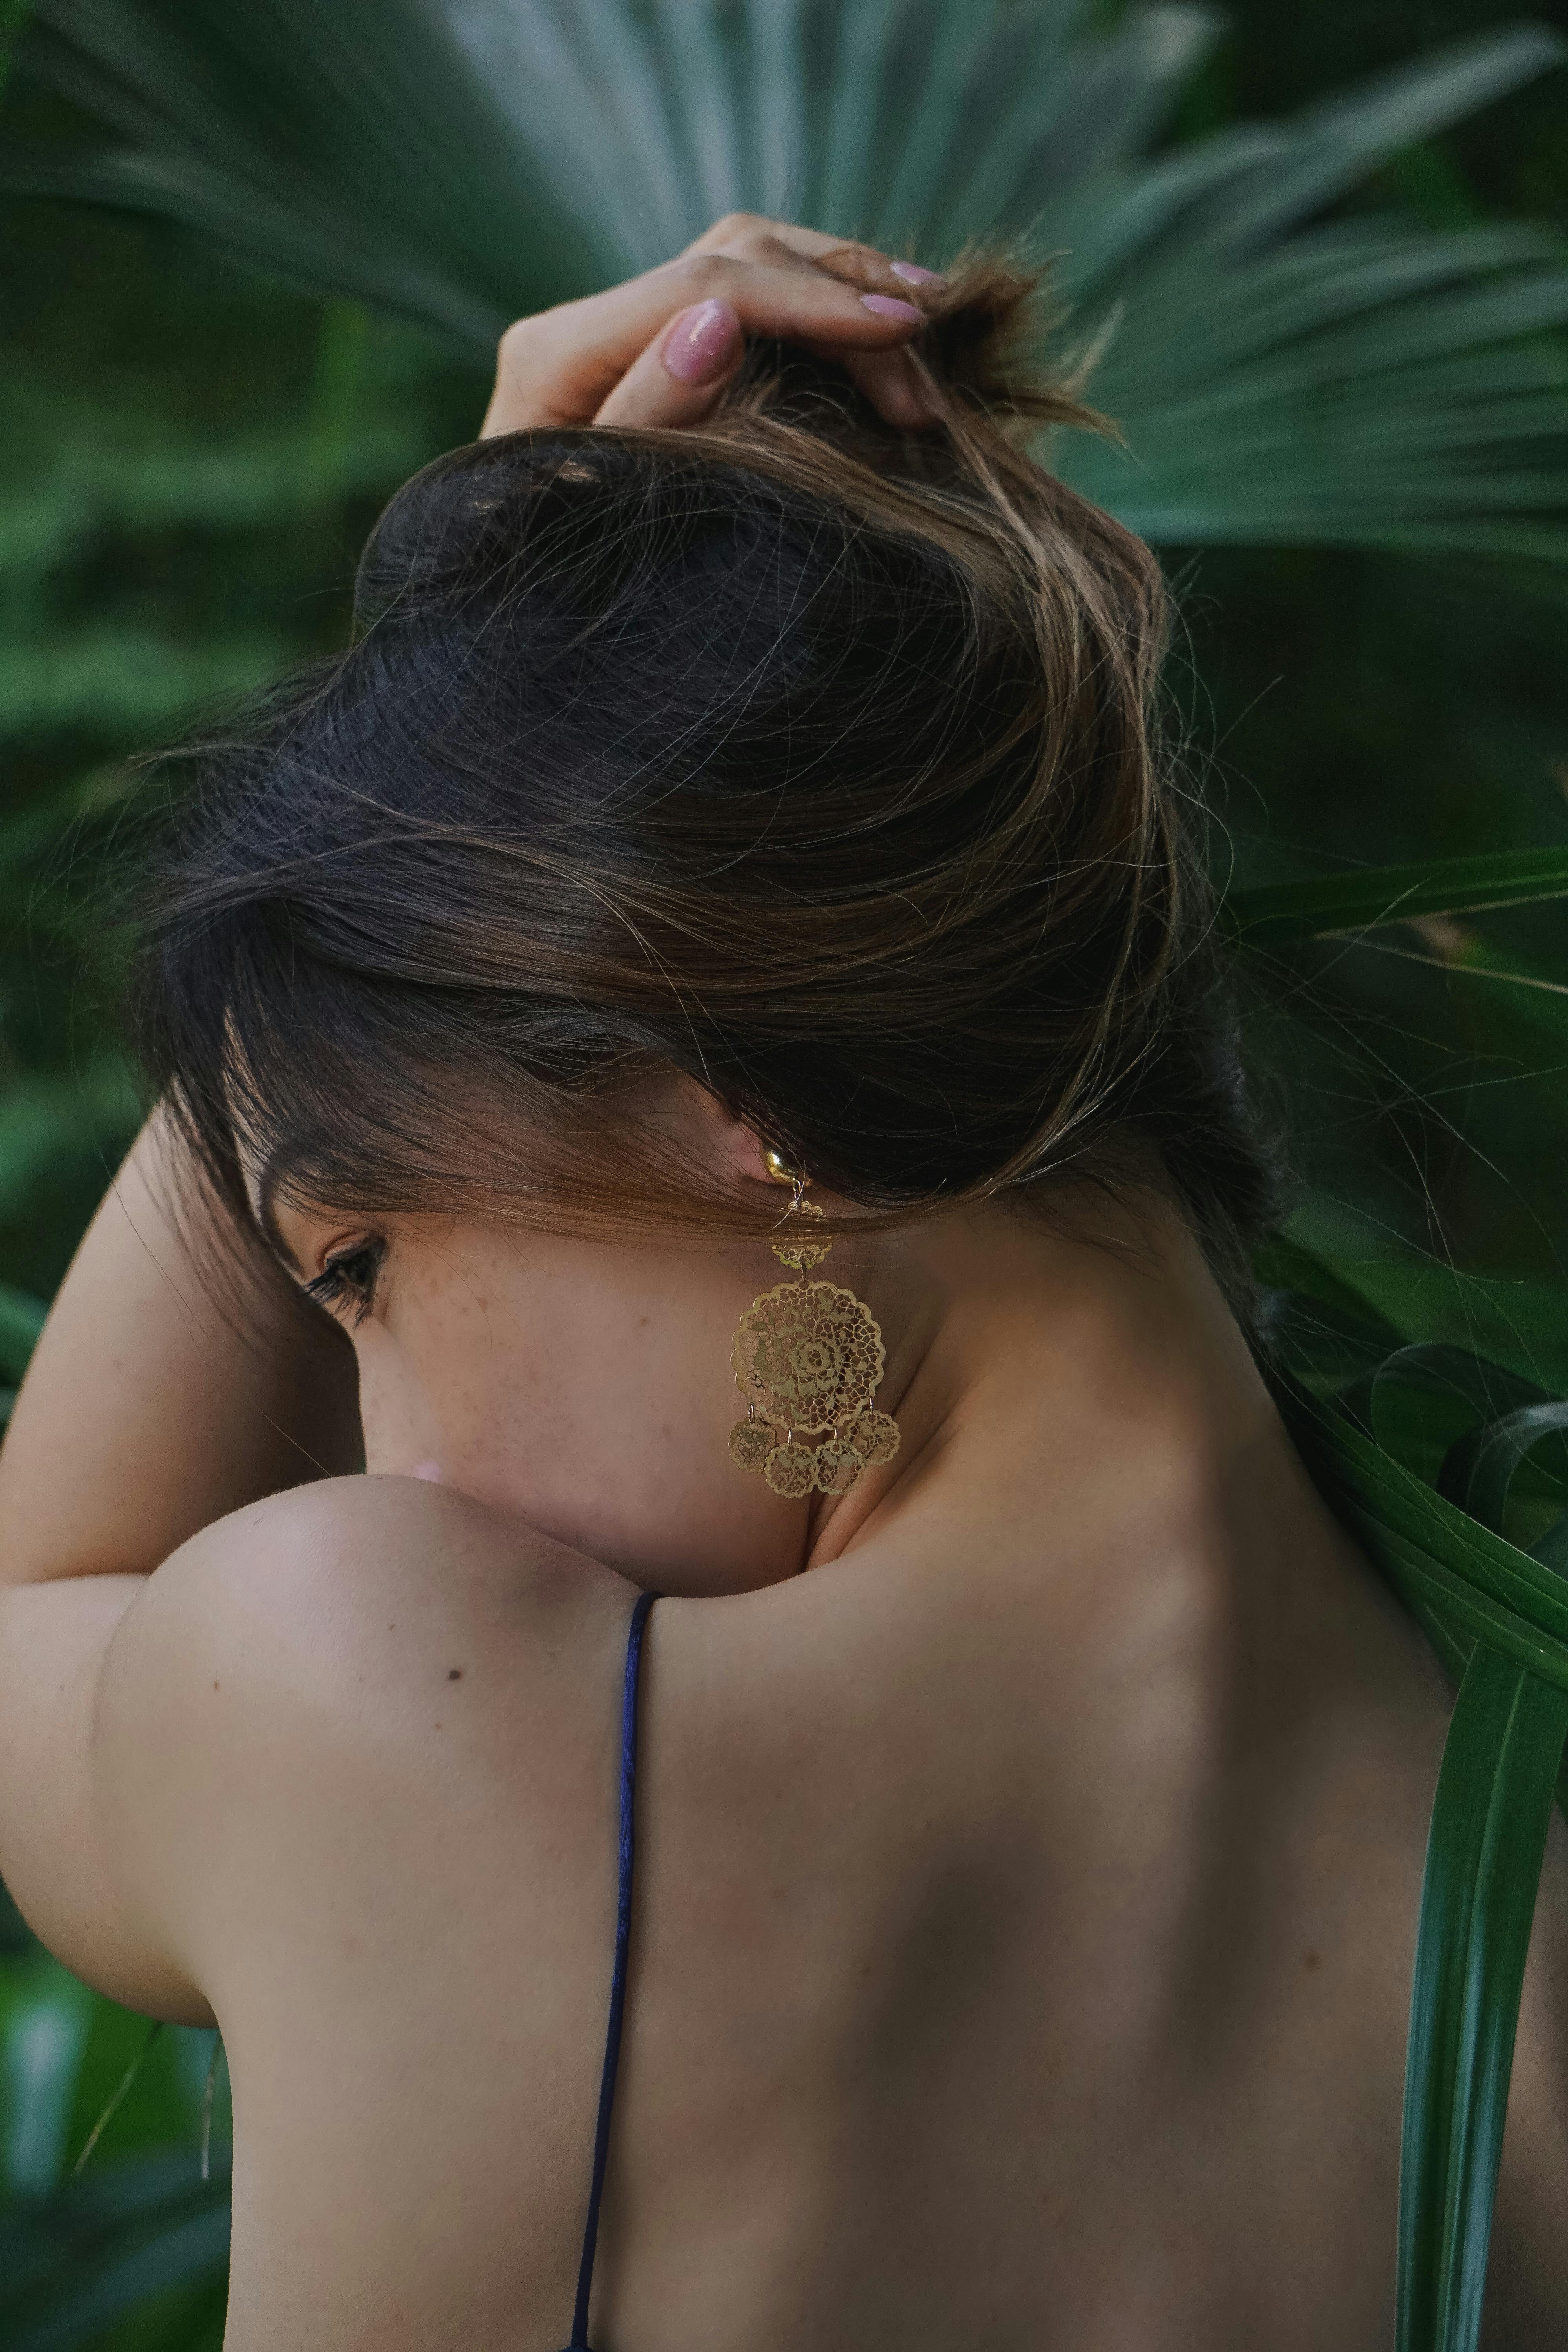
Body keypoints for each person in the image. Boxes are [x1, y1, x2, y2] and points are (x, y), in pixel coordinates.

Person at [0, 215, 1563, 2352]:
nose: (402, 1458)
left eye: (356, 1266)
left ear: (731, 1086)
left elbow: (29, 1608)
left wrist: (421, 819)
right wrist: (457, 862)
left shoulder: (414, 1717)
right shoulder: (1531, 1925)